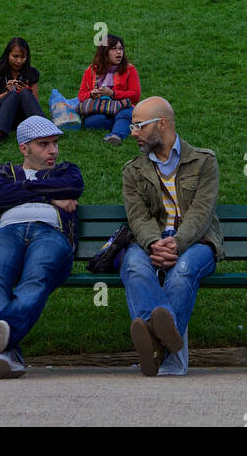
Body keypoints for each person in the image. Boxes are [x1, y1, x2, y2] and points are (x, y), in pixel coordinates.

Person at [0, 115, 84, 379]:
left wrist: (23, 190)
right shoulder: (3, 172)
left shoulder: (66, 171)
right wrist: (50, 196)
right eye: (43, 144)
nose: (53, 151)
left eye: (55, 143)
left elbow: (73, 186)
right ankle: (5, 354)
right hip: (6, 232)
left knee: (36, 280)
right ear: (24, 148)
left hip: (50, 233)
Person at [120, 97, 222, 376]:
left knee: (183, 270)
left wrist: (177, 242)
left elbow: (202, 213)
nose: (133, 133)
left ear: (161, 124)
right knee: (133, 265)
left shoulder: (203, 162)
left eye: (139, 126)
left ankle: (157, 346)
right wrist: (154, 243)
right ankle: (167, 351)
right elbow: (137, 216)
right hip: (149, 242)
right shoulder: (133, 170)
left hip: (197, 242)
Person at [77, 34, 140, 145]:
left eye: (121, 49)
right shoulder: (91, 70)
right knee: (93, 121)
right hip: (100, 107)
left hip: (123, 107)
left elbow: (135, 96)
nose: (119, 52)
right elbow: (81, 95)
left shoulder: (130, 69)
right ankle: (121, 125)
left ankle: (116, 135)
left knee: (124, 115)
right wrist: (92, 94)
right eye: (114, 49)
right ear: (104, 52)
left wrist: (113, 93)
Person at [0, 38, 43, 150]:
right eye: (15, 56)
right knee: (13, 94)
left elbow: (35, 105)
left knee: (23, 92)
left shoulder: (31, 73)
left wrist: (27, 91)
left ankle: (43, 130)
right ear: (7, 54)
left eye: (23, 57)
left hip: (20, 119)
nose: (19, 61)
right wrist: (6, 94)